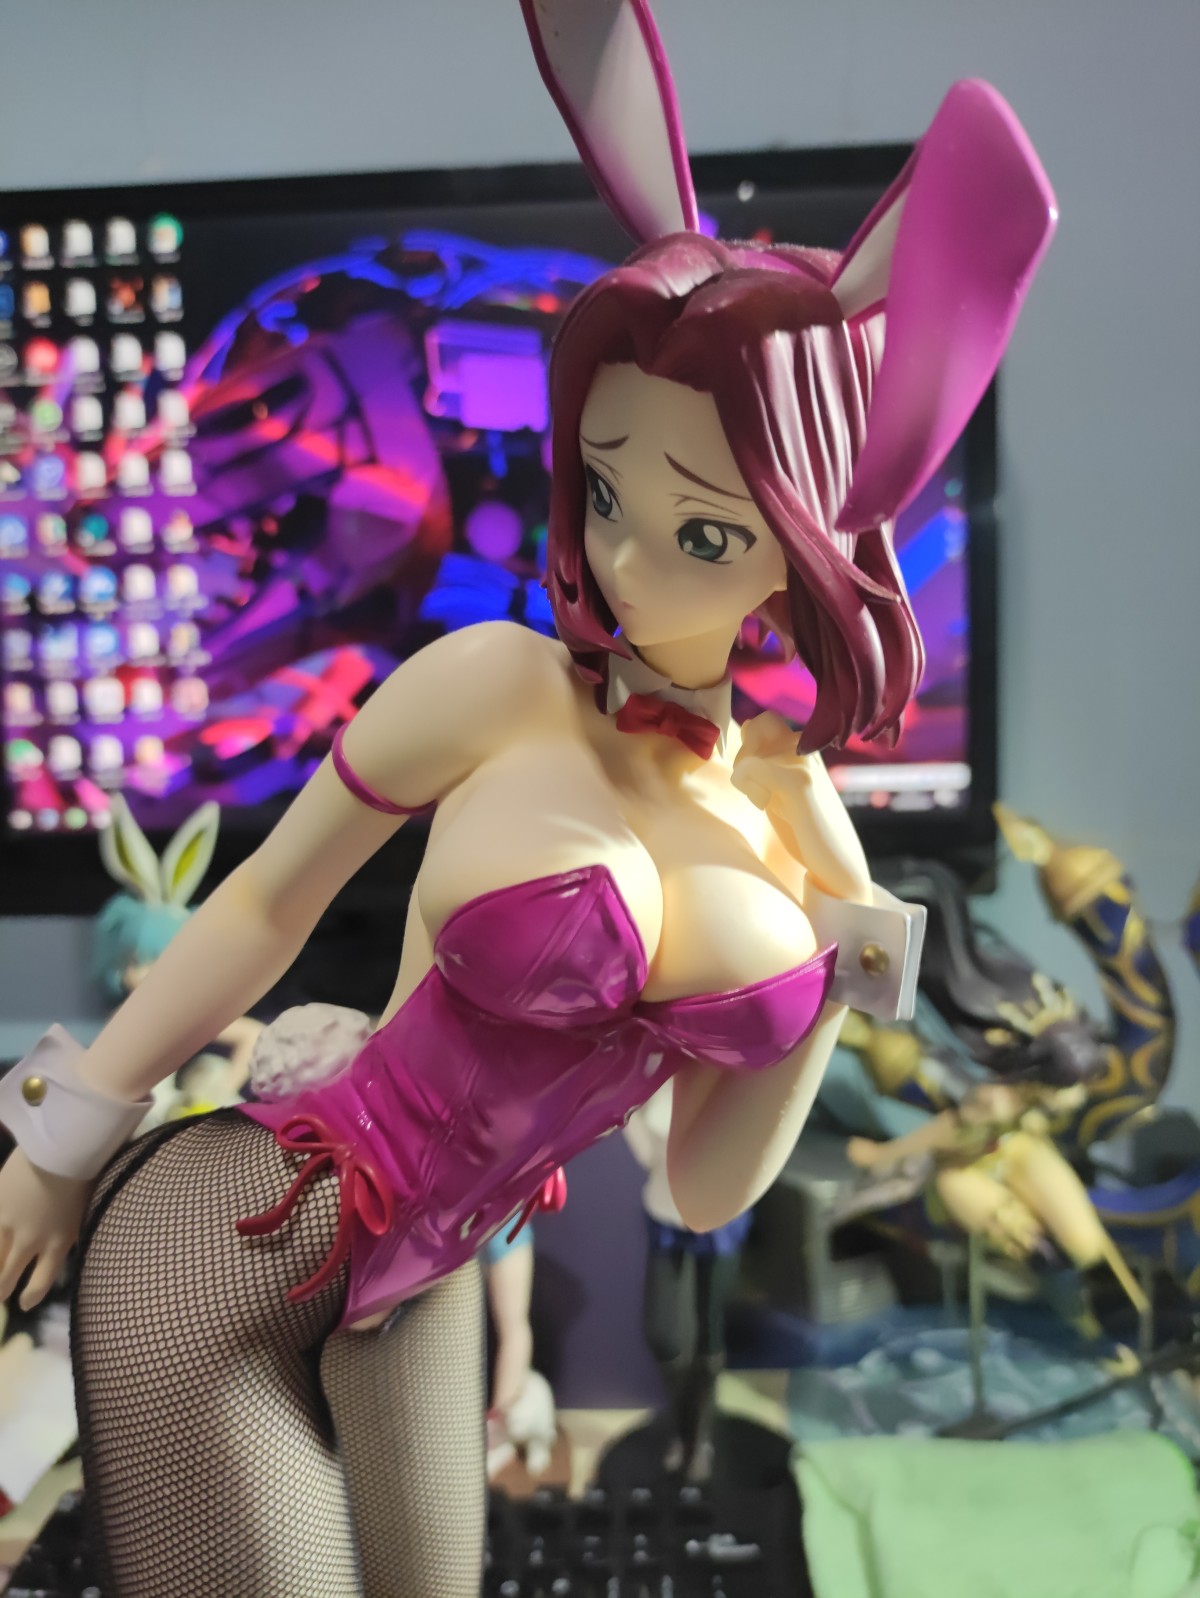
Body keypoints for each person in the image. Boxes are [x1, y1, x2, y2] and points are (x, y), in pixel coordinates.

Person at [0, 4, 1055, 1593]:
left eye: (704, 532)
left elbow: (698, 1183)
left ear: (804, 543)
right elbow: (269, 898)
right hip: (226, 1250)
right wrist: (61, 1139)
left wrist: (839, 943)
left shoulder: (776, 818)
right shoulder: (498, 682)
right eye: (605, 485)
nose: (622, 558)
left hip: (429, 1279)